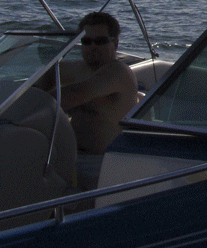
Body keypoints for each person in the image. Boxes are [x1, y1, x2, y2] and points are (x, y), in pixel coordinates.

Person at [41, 12, 138, 158]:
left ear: (115, 44)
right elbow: (48, 74)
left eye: (100, 41)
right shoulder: (79, 68)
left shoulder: (117, 72)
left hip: (102, 161)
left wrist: (31, 107)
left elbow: (75, 94)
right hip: (72, 155)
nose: (92, 46)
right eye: (86, 41)